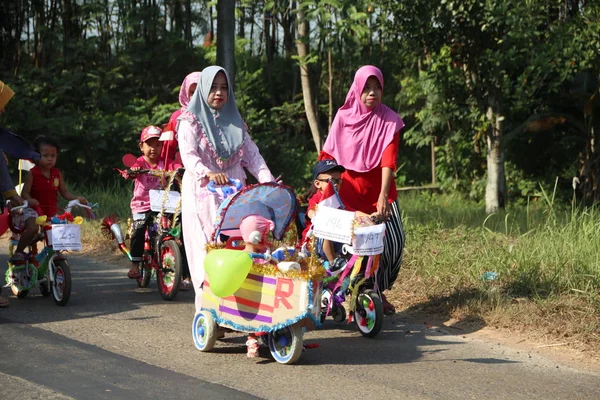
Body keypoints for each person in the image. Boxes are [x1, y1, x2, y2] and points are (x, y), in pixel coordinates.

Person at [177, 66, 274, 313]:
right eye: (213, 87)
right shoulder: (189, 121)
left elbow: (254, 157)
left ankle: (240, 309)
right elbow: (188, 156)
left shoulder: (236, 123)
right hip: (203, 192)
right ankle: (208, 309)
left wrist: (269, 183)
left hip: (234, 192)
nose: (219, 93)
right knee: (207, 248)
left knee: (239, 245)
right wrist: (207, 172)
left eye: (224, 88)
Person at [319, 65, 406, 315]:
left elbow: (389, 161)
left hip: (380, 193)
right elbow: (328, 155)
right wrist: (326, 183)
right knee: (350, 248)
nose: (372, 92)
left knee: (393, 243)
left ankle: (378, 288)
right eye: (366, 87)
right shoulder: (343, 117)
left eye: (377, 87)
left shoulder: (389, 120)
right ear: (357, 89)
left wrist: (383, 196)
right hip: (347, 193)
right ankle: (354, 291)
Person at [11, 136, 88, 263]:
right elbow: (25, 193)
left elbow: (65, 192)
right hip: (34, 210)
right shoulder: (33, 173)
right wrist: (30, 200)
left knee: (59, 229)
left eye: (53, 155)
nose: (50, 159)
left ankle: (55, 254)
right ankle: (19, 252)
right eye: (45, 155)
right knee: (33, 228)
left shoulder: (56, 173)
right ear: (36, 156)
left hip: (51, 210)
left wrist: (77, 199)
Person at [124, 125, 182, 279]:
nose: (154, 148)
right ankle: (135, 264)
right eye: (150, 144)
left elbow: (176, 167)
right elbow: (132, 170)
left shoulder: (166, 162)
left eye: (158, 144)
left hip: (162, 205)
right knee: (139, 229)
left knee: (172, 230)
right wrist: (133, 171)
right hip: (142, 205)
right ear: (141, 146)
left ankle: (179, 270)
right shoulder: (141, 162)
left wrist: (181, 170)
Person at [239, 214, 275, 358]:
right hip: (249, 297)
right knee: (251, 307)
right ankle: (251, 337)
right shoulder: (245, 257)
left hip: (265, 293)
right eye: (265, 236)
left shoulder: (262, 256)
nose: (267, 240)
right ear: (255, 237)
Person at [161, 71, 202, 167]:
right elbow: (167, 150)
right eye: (192, 92)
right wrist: (173, 167)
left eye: (199, 92)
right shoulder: (178, 116)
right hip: (183, 170)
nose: (196, 96)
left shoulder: (215, 115)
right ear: (185, 93)